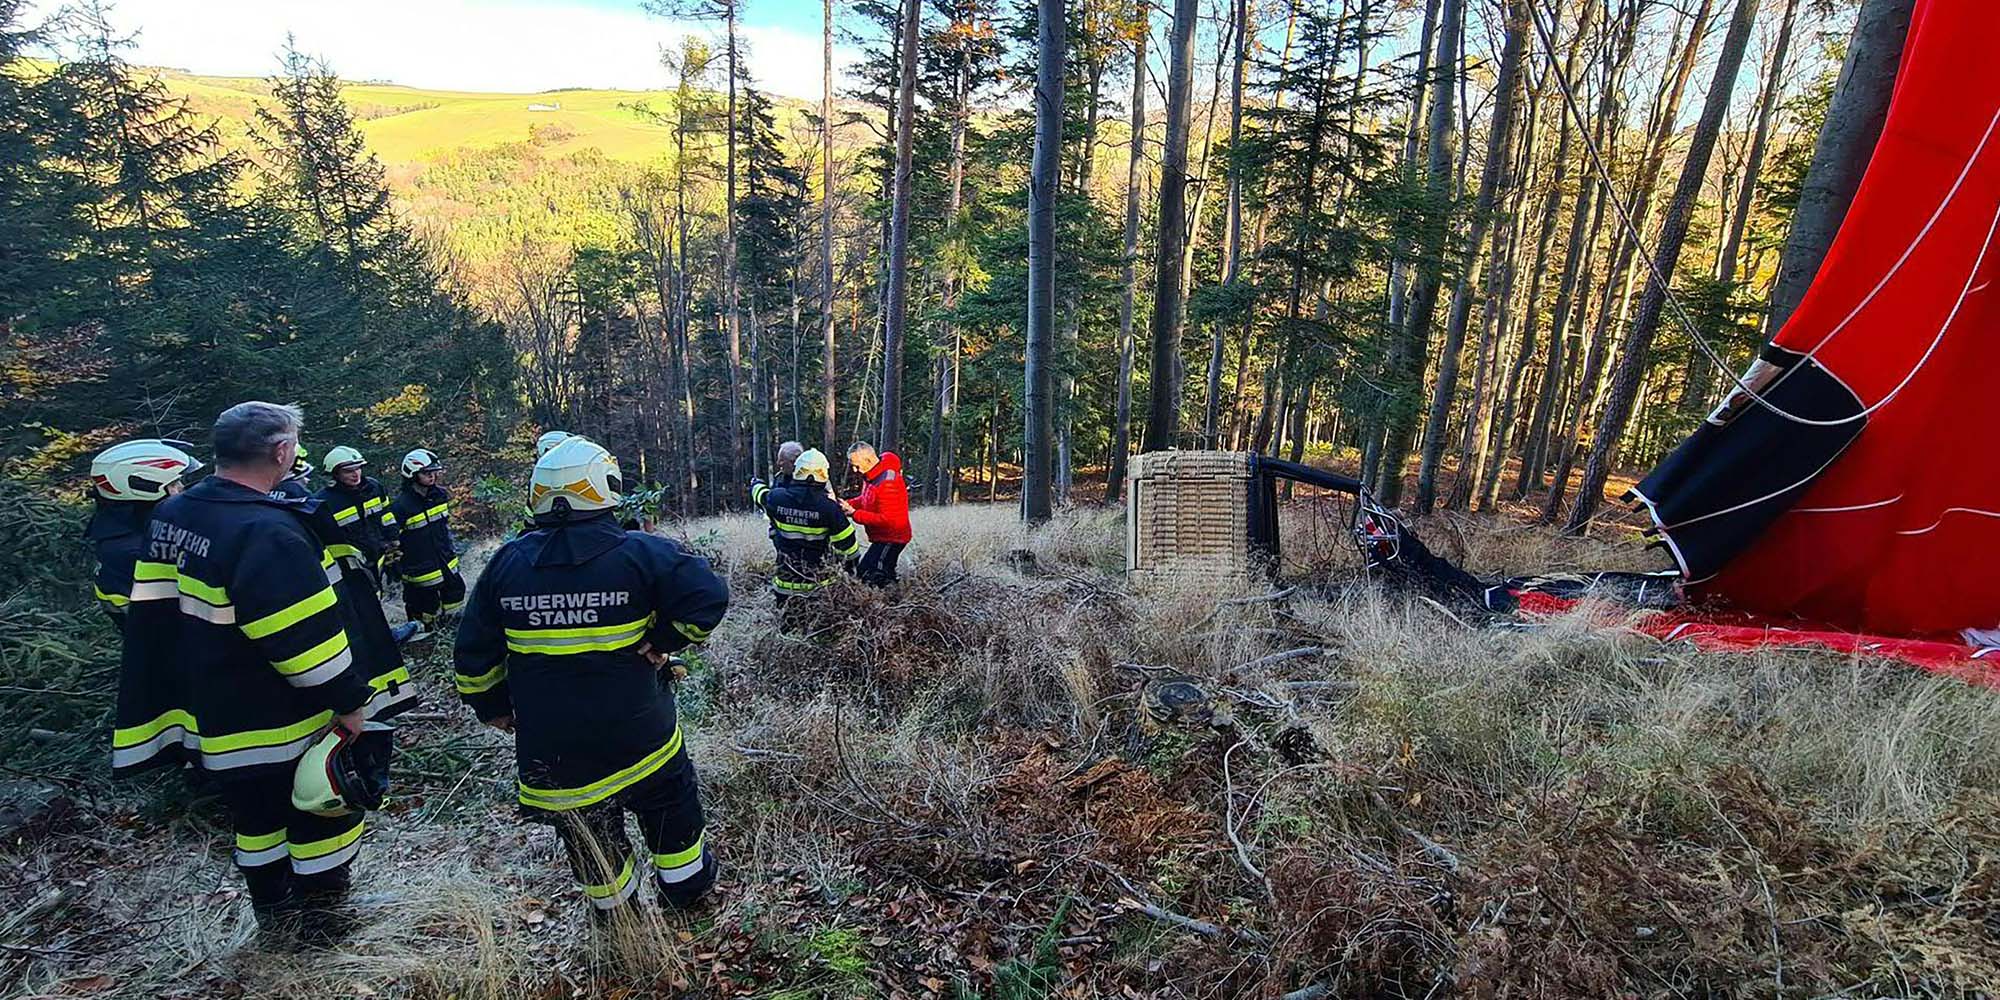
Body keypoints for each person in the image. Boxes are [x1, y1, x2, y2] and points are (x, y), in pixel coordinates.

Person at [114, 402, 386, 944]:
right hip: (281, 717)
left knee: (256, 823)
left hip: (215, 713)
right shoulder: (266, 532)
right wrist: (350, 702)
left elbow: (155, 616)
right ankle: (325, 930)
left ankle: (275, 923)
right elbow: (302, 640)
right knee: (320, 817)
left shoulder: (177, 515)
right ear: (282, 452)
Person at [454, 437, 729, 920]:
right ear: (605, 487)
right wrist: (665, 640)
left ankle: (617, 917)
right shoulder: (642, 553)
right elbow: (709, 597)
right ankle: (689, 899)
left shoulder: (507, 563)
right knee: (671, 808)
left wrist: (491, 707)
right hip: (641, 735)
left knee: (586, 833)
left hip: (555, 748)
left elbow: (473, 654)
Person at [312, 447, 424, 699]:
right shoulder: (324, 501)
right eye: (348, 471)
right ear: (334, 473)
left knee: (375, 600)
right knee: (356, 607)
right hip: (348, 566)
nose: (355, 475)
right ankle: (363, 650)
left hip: (378, 556)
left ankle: (384, 638)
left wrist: (394, 542)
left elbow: (386, 516)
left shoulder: (374, 487)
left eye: (358, 468)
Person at [86, 439, 202, 628]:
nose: (181, 488)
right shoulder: (134, 552)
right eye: (174, 483)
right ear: (144, 486)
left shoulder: (123, 528)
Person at [751, 448, 859, 608]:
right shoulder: (830, 509)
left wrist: (756, 483)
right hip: (820, 588)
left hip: (785, 587)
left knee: (787, 627)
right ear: (823, 474)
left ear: (797, 471)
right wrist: (850, 570)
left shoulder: (777, 497)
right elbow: (849, 549)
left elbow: (759, 495)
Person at [391, 448, 464, 626]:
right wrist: (398, 568)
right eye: (426, 473)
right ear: (412, 474)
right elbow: (393, 542)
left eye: (434, 473)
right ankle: (423, 637)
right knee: (424, 606)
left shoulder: (439, 496)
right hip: (419, 568)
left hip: (445, 561)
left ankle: (451, 629)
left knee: (455, 594)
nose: (432, 477)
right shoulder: (401, 506)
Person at [842, 442, 912, 586]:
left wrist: (855, 513)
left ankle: (887, 603)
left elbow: (887, 519)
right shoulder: (872, 476)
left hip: (892, 538)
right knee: (882, 571)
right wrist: (848, 504)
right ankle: (896, 595)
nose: (855, 470)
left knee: (870, 573)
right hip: (884, 537)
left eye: (856, 465)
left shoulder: (887, 482)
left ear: (868, 460)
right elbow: (866, 499)